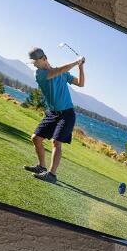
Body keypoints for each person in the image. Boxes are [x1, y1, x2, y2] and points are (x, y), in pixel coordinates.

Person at [26, 47, 86, 181]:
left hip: (67, 114)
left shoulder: (63, 74)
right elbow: (57, 71)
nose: (34, 64)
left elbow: (81, 84)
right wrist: (76, 62)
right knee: (36, 138)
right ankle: (41, 166)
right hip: (52, 113)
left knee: (56, 142)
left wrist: (80, 66)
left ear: (44, 58)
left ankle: (51, 175)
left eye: (35, 61)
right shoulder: (39, 74)